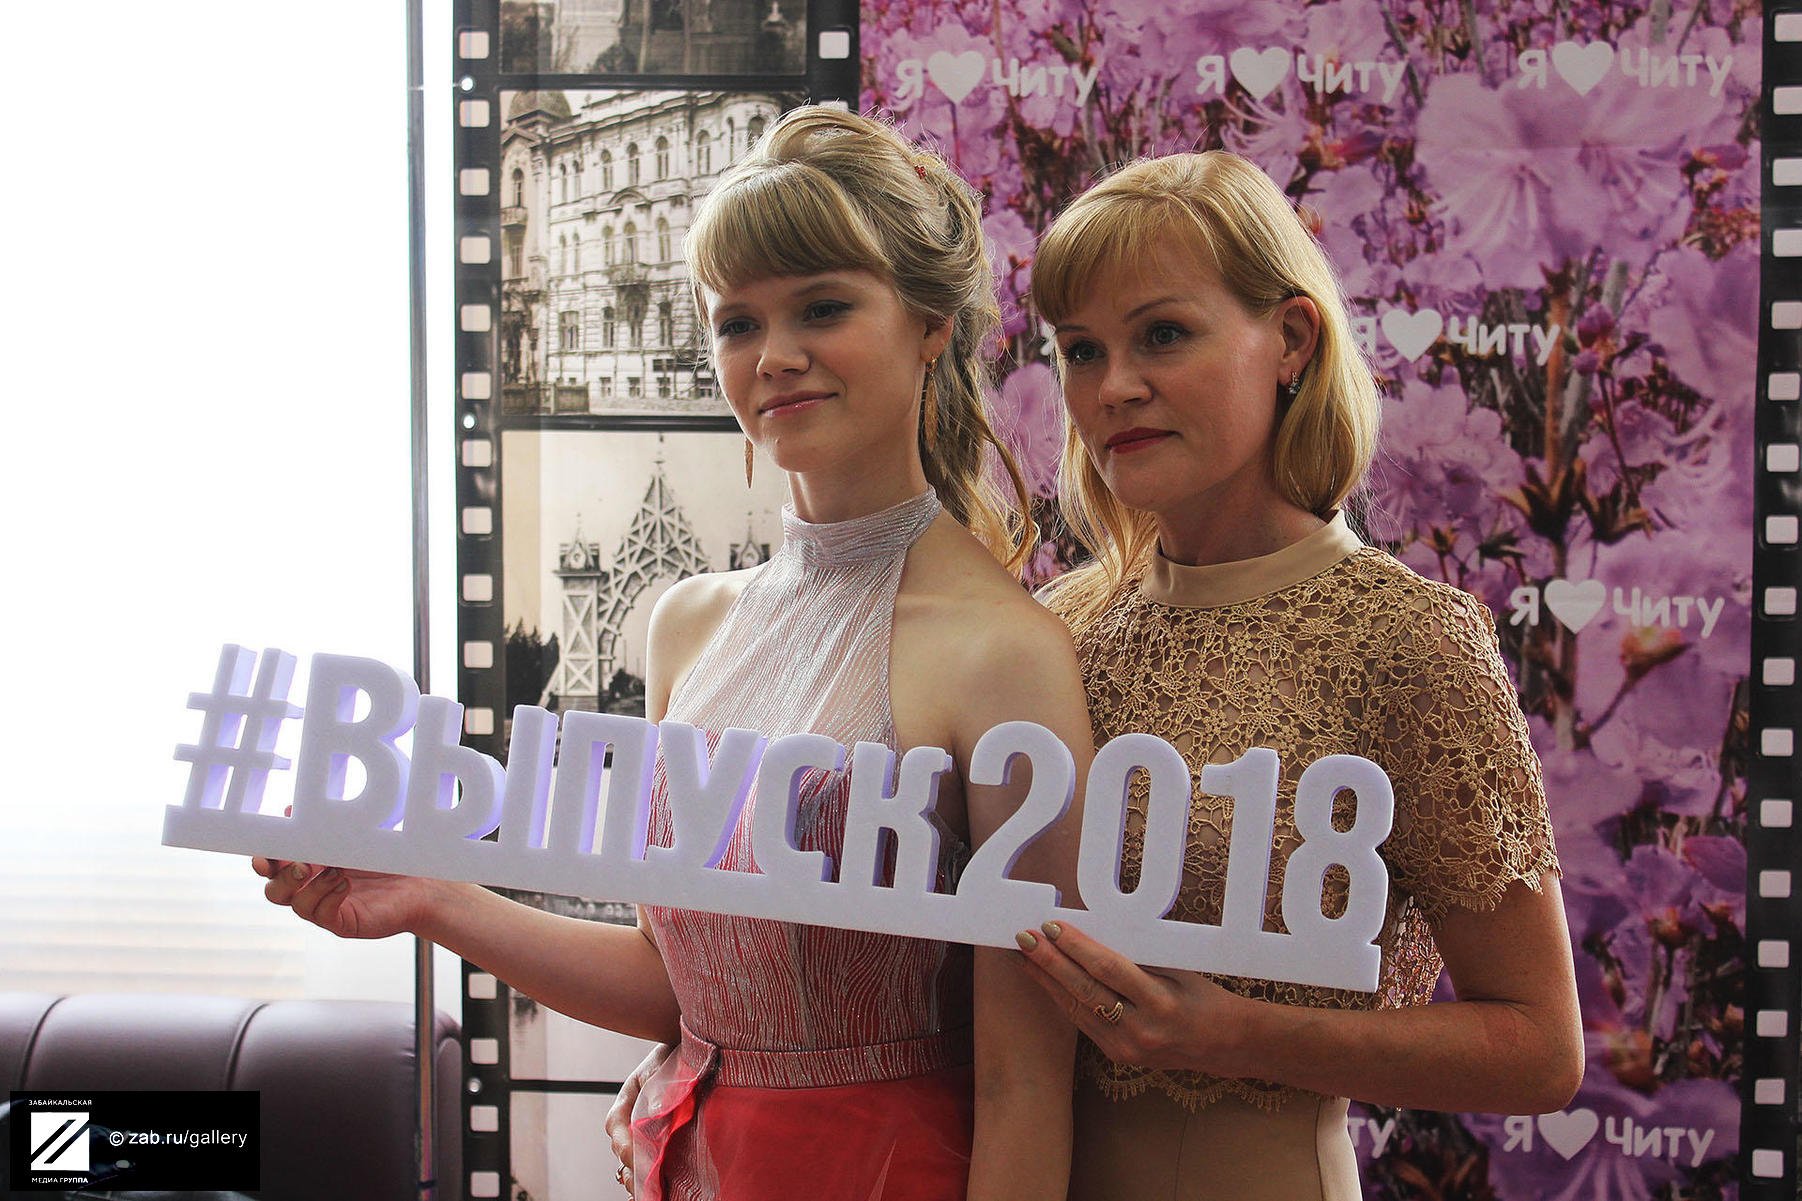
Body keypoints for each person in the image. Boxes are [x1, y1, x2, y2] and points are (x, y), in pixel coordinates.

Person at [257, 106, 1093, 1201]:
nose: (774, 357)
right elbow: (678, 991)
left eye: (823, 307)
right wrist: (430, 896)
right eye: (737, 322)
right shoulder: (688, 624)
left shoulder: (1008, 656)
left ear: (930, 323)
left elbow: (1028, 1087)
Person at [1009, 151, 1584, 1200]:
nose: (1113, 386)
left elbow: (1540, 1049)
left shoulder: (1408, 640)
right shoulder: (1057, 625)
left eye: (1161, 334)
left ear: (1290, 339)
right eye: (1080, 349)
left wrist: (1233, 1033)